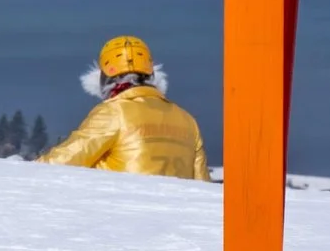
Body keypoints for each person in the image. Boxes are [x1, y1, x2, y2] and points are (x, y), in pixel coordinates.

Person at [40, 36, 208, 180]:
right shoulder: (188, 121)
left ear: (104, 78)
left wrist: (24, 172)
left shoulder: (113, 112)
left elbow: (65, 160)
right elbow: (202, 185)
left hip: (122, 212)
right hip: (176, 216)